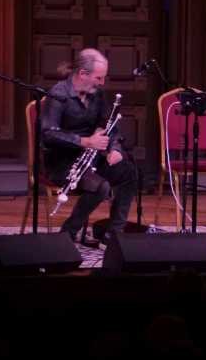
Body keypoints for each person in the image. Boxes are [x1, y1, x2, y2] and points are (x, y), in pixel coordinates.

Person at [41, 48, 135, 245]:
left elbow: (110, 124)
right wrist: (85, 141)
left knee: (128, 172)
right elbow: (48, 134)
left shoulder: (96, 94)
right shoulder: (58, 94)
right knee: (100, 187)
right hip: (61, 162)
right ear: (83, 74)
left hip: (91, 158)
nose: (102, 83)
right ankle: (67, 234)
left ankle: (114, 234)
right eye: (98, 78)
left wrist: (114, 148)